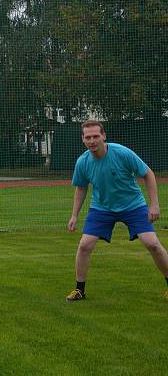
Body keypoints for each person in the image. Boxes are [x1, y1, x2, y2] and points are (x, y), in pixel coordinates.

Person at [66, 120, 168, 301]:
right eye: (88, 137)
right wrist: (74, 215)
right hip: (101, 208)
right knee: (84, 245)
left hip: (133, 205)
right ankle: (79, 290)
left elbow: (148, 174)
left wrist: (154, 205)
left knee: (152, 244)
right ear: (83, 139)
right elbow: (81, 187)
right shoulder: (82, 161)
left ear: (104, 136)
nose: (92, 141)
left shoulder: (122, 153)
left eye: (96, 136)